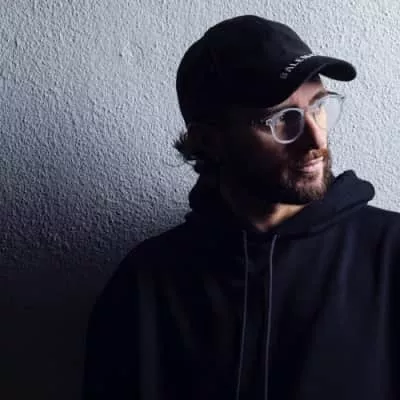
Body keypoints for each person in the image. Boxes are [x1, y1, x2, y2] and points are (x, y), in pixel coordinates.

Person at [82, 15, 400, 400]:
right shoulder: (145, 285)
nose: (316, 140)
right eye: (282, 119)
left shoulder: (390, 254)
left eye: (319, 106)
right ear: (209, 141)